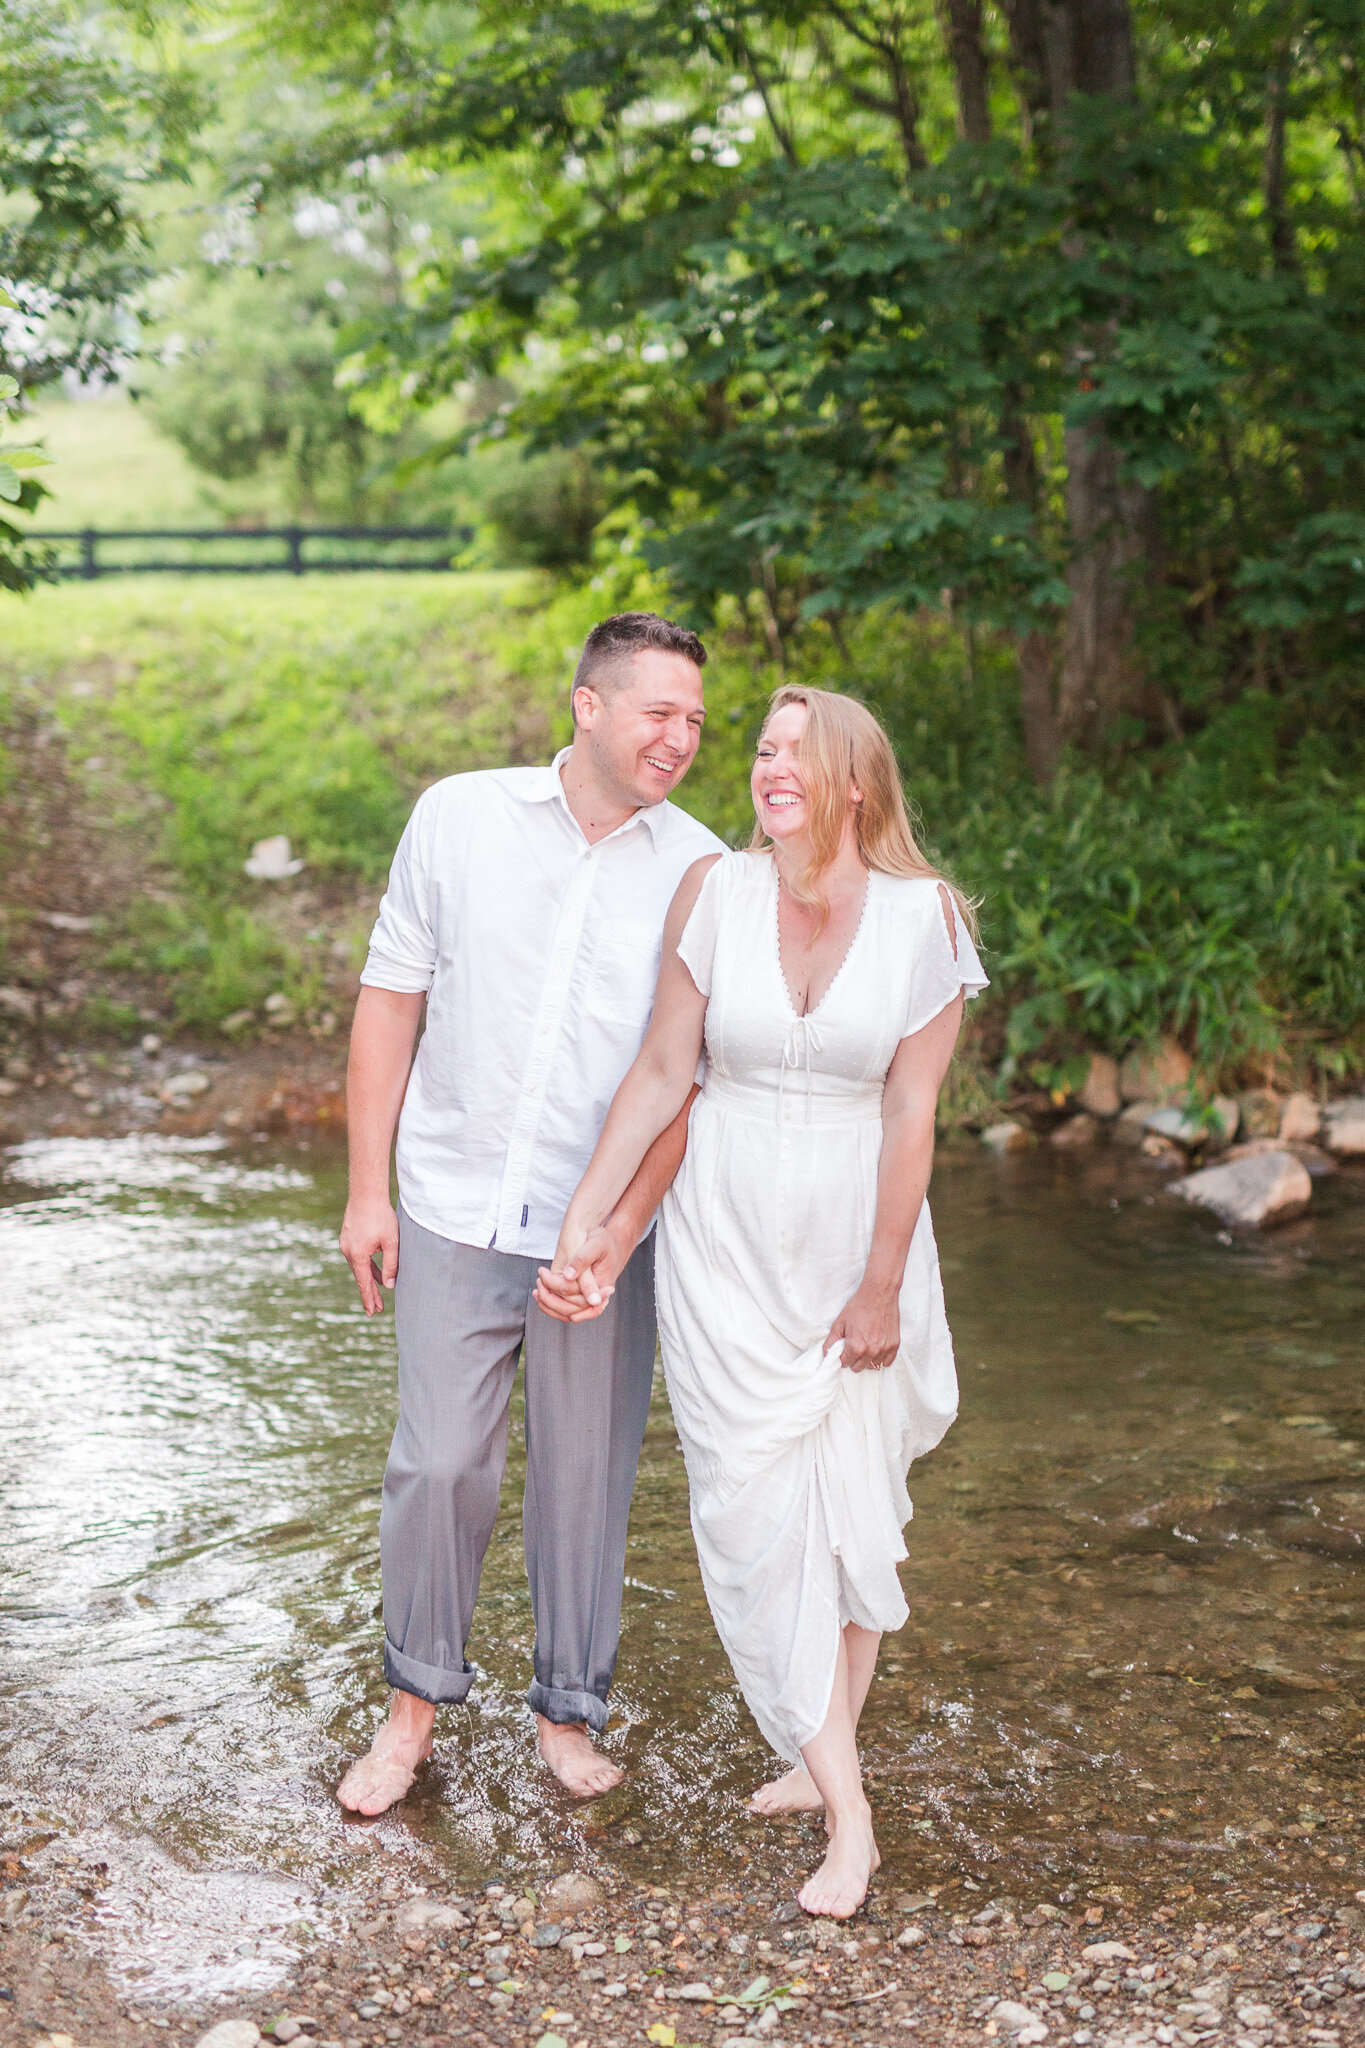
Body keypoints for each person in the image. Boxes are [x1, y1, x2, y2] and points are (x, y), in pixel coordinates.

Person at [539, 685, 986, 1916]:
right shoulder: (717, 894)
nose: (765, 767)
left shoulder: (924, 918)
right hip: (723, 1242)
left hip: (857, 1239)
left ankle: (817, 1759)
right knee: (750, 1515)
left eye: (792, 751)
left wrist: (884, 1277)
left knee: (847, 1514)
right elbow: (662, 1068)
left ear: (853, 780)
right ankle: (855, 1817)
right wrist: (590, 1211)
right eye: (761, 749)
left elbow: (911, 1108)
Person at [335, 611, 723, 1815]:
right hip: (451, 1200)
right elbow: (390, 1002)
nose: (681, 738)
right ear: (589, 703)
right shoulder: (459, 816)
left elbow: (686, 1080)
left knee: (585, 1476)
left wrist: (614, 1231)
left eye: (698, 722)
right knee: (438, 1461)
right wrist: (366, 1187)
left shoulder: (705, 868)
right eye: (660, 712)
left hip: (600, 1226)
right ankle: (412, 1711)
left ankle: (568, 1710)